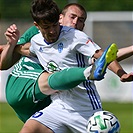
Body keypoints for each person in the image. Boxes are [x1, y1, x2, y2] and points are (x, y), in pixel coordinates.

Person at [12, 0, 133, 133]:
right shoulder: (36, 41)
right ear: (37, 26)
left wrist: (121, 73)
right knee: (29, 130)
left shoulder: (76, 36)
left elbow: (103, 56)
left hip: (85, 107)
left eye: (54, 26)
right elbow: (24, 49)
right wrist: (8, 47)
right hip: (58, 106)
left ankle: (89, 73)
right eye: (47, 27)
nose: (52, 31)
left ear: (58, 21)